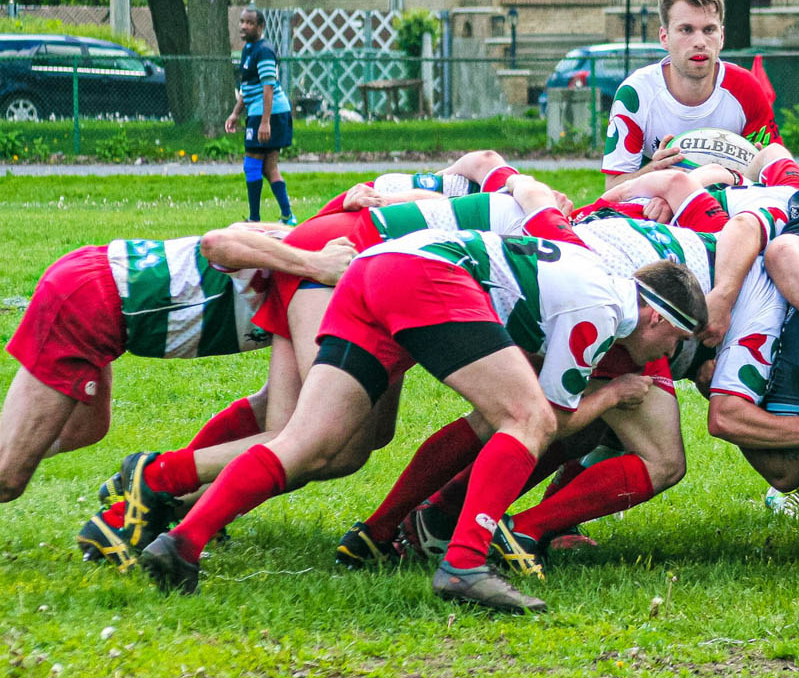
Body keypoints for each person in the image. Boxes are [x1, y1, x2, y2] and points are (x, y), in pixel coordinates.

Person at [137, 229, 706, 609]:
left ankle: (182, 541)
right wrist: (613, 395)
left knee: (309, 443)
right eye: (672, 341)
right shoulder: (604, 310)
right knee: (527, 418)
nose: (664, 355)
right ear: (655, 316)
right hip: (426, 274)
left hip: (373, 269)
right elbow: (552, 420)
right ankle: (463, 564)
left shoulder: (598, 279)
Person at [0, 225, 354, 505]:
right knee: (7, 477)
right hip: (88, 301)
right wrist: (315, 264)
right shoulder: (311, 261)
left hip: (101, 298)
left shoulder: (310, 252)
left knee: (87, 428)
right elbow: (217, 241)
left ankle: (173, 502)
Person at [601, 0, 782, 190]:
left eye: (709, 30)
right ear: (664, 37)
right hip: (658, 206)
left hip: (730, 201)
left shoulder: (746, 88)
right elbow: (612, 189)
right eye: (686, 30)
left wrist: (762, 166)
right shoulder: (636, 94)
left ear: (721, 37)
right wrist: (654, 172)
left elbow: (778, 180)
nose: (699, 42)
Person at [226, 9, 296, 224]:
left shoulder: (264, 51)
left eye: (249, 22)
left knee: (252, 165)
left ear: (260, 26)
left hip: (269, 114)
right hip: (264, 112)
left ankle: (254, 219)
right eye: (242, 21)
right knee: (268, 167)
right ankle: (288, 216)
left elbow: (268, 87)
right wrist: (236, 113)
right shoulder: (249, 49)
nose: (244, 26)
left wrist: (265, 122)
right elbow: (248, 88)